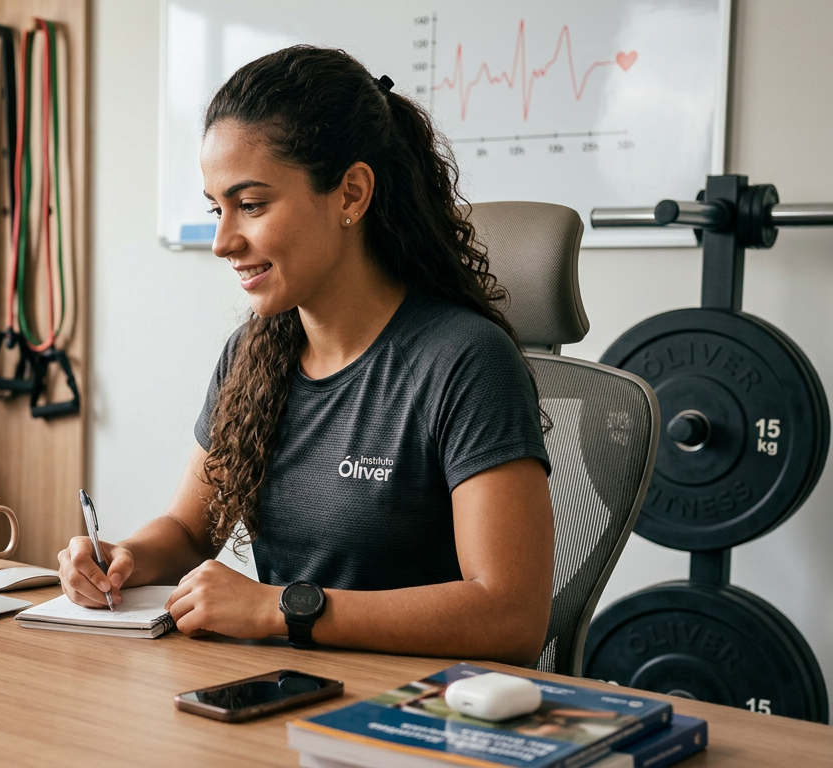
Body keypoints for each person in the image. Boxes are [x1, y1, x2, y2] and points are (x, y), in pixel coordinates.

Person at [57, 46, 554, 666]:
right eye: (217, 209)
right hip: (282, 690)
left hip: (417, 716)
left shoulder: (466, 361)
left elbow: (510, 617)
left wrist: (278, 607)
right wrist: (121, 557)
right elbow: (189, 531)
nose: (222, 241)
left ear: (350, 193)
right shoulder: (253, 354)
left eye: (252, 205)